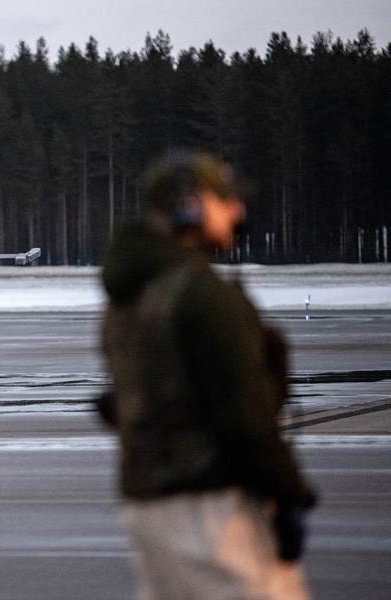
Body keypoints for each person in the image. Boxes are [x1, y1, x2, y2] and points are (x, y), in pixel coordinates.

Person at [96, 150, 317, 599]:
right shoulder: (201, 296)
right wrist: (290, 492)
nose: (237, 209)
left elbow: (124, 403)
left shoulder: (128, 299)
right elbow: (245, 417)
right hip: (214, 511)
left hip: (147, 503)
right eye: (224, 199)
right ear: (189, 206)